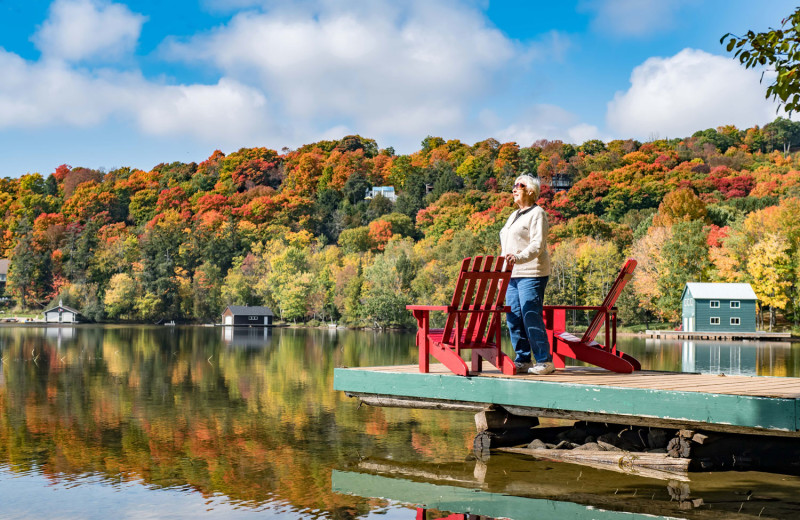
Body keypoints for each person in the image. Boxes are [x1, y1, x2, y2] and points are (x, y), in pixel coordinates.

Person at [499, 174, 554, 375]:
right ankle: (523, 359)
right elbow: (506, 246)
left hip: (532, 272)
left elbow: (538, 245)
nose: (514, 189)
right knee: (513, 317)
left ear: (531, 191)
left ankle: (544, 361)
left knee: (531, 315)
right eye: (513, 185)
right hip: (511, 274)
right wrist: (501, 274)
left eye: (519, 185)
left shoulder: (537, 213)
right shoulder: (514, 215)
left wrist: (519, 258)